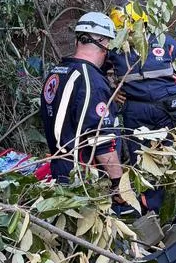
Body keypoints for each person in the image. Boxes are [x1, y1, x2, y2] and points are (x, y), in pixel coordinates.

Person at [108, 2, 176, 211]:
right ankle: (150, 208)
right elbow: (99, 74)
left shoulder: (165, 43)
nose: (127, 35)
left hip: (167, 110)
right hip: (136, 111)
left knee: (173, 159)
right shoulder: (114, 49)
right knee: (142, 162)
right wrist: (112, 92)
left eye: (130, 31)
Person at [39, 12, 125, 198]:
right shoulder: (90, 81)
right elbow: (100, 140)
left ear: (78, 40)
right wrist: (118, 184)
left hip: (61, 168)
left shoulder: (58, 72)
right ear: (103, 43)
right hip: (84, 178)